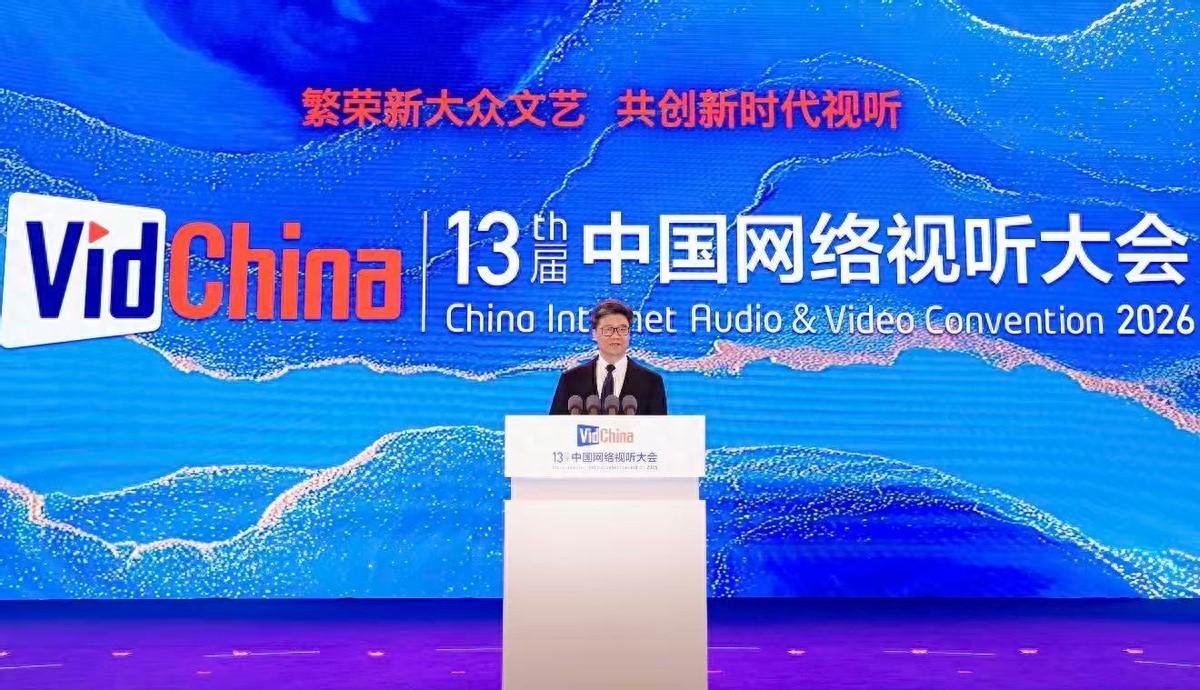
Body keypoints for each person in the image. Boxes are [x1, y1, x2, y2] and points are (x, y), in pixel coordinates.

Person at [548, 299, 668, 415]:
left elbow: (659, 428)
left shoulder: (652, 382)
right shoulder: (570, 380)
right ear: (594, 334)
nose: (616, 336)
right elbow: (555, 426)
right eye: (608, 329)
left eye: (622, 329)